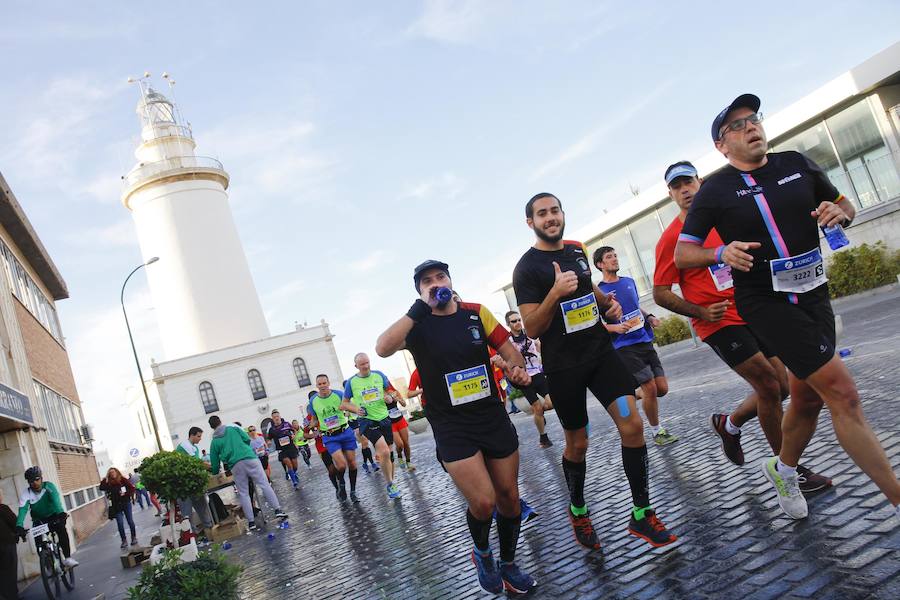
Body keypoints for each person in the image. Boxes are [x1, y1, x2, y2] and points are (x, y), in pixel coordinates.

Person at [674, 93, 900, 520]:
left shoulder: (795, 162)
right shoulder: (715, 190)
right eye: (737, 126)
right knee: (843, 394)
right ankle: (896, 496)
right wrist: (720, 255)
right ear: (722, 145)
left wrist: (840, 212)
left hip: (814, 292)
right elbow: (685, 255)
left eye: (753, 119)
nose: (751, 127)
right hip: (765, 302)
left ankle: (783, 468)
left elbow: (844, 204)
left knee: (807, 399)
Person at [513, 193, 677, 549]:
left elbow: (587, 284)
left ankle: (641, 514)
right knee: (578, 443)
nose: (551, 218)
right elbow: (532, 327)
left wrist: (608, 306)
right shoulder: (526, 268)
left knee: (632, 426)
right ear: (531, 223)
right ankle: (578, 508)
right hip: (565, 367)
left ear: (563, 213)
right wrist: (555, 292)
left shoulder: (575, 250)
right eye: (542, 214)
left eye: (555, 210)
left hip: (601, 356)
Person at [654, 160, 830, 492]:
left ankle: (729, 424)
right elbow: (660, 293)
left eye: (688, 182)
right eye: (677, 187)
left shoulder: (725, 218)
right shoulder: (670, 240)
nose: (685, 190)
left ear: (700, 181)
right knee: (767, 385)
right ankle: (788, 471)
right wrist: (700, 313)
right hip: (718, 323)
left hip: (756, 309)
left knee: (784, 386)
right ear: (671, 194)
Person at [376, 259, 537, 594]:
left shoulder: (476, 313)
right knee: (482, 502)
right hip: (451, 425)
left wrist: (514, 369)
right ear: (420, 291)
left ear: (451, 280)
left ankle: (508, 562)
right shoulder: (416, 325)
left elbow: (511, 353)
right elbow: (382, 347)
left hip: (491, 416)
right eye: (427, 282)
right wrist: (418, 309)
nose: (436, 283)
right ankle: (482, 553)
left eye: (441, 277)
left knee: (509, 498)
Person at [594, 246, 678, 446]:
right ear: (600, 264)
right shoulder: (600, 292)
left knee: (661, 389)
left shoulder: (629, 282)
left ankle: (632, 395)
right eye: (609, 257)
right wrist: (614, 328)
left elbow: (635, 305)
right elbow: (595, 324)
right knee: (650, 387)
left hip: (644, 339)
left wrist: (649, 316)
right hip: (624, 346)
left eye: (615, 255)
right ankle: (657, 432)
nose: (615, 259)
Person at [208, 416, 288, 530]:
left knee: (243, 493)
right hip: (249, 458)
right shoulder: (233, 428)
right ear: (221, 421)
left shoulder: (214, 442)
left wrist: (216, 473)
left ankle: (251, 522)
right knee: (264, 484)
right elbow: (247, 439)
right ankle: (278, 510)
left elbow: (215, 463)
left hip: (235, 465)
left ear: (211, 427)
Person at [343, 353, 401, 499]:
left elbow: (392, 392)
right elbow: (343, 404)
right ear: (356, 366)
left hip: (384, 418)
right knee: (384, 452)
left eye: (367, 362)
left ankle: (391, 482)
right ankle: (389, 483)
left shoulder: (379, 375)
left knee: (390, 454)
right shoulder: (352, 382)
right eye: (362, 364)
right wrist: (356, 409)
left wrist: (390, 397)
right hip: (367, 421)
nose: (366, 366)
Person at [504, 310, 554, 448]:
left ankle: (539, 416)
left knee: (551, 403)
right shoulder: (507, 342)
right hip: (523, 379)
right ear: (508, 324)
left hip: (537, 374)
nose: (518, 323)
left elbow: (540, 347)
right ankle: (543, 438)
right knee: (537, 408)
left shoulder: (530, 334)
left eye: (519, 320)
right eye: (514, 321)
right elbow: (506, 360)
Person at [308, 374, 361, 502]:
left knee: (352, 464)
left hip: (345, 431)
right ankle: (341, 484)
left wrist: (358, 410)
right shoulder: (313, 401)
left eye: (324, 383)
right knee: (341, 465)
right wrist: (311, 426)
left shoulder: (338, 394)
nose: (322, 386)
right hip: (330, 436)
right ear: (317, 386)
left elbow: (348, 406)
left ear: (328, 383)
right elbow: (314, 420)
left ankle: (353, 492)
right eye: (319, 384)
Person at [15, 467, 78, 568]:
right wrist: (19, 526)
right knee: (39, 543)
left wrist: (61, 513)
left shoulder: (49, 487)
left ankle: (67, 558)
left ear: (41, 478)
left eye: (37, 479)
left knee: (62, 530)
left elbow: (56, 501)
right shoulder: (26, 494)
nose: (34, 483)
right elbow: (22, 510)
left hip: (53, 516)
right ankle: (48, 564)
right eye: (31, 481)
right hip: (39, 520)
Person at [175, 427, 214, 535]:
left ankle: (209, 530)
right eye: (198, 436)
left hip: (194, 484)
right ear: (192, 435)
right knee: (187, 513)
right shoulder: (185, 445)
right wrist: (212, 466)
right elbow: (196, 463)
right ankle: (192, 536)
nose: (200, 439)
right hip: (183, 485)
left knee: (202, 506)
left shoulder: (195, 448)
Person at [100, 468, 138, 548]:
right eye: (110, 473)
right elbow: (101, 487)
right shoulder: (108, 482)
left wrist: (126, 493)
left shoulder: (122, 479)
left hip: (125, 503)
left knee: (130, 521)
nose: (112, 474)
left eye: (113, 472)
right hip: (116, 505)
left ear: (117, 472)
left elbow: (132, 488)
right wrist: (105, 479)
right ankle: (124, 540)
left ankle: (133, 537)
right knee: (120, 523)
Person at [265, 410, 301, 489]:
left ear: (280, 416)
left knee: (295, 465)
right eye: (274, 417)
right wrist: (268, 442)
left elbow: (294, 430)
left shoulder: (287, 424)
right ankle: (294, 482)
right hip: (282, 450)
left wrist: (294, 436)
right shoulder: (272, 429)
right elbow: (269, 438)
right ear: (272, 419)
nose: (276, 418)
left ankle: (293, 474)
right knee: (289, 464)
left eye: (277, 416)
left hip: (291, 447)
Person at [386, 388, 414, 471]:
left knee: (406, 443)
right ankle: (399, 456)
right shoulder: (379, 395)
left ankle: (408, 462)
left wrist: (397, 399)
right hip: (390, 423)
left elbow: (404, 404)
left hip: (400, 420)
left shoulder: (394, 392)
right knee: (399, 444)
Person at [1, 487, 19, 600]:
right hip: (6, 544)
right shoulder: (3, 508)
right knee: (10, 572)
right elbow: (15, 523)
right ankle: (12, 596)